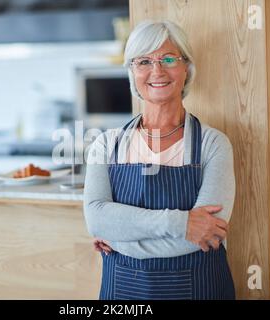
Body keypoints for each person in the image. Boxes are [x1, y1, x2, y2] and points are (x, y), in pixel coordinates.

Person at [83, 19, 236, 300]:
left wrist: (120, 238)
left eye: (168, 58)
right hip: (123, 292)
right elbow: (96, 219)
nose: (157, 70)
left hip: (200, 289)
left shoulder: (214, 144)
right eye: (143, 61)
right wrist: (182, 224)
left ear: (186, 69)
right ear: (132, 72)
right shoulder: (105, 144)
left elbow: (208, 234)